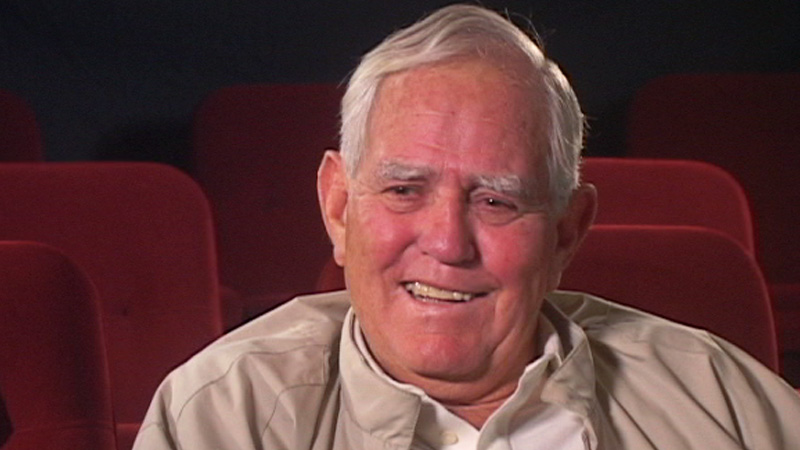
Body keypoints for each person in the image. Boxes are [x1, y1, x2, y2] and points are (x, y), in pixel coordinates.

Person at [133, 4, 800, 449]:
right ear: (338, 207)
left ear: (567, 232)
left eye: (496, 201)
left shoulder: (722, 402)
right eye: (404, 190)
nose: (448, 243)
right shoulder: (227, 415)